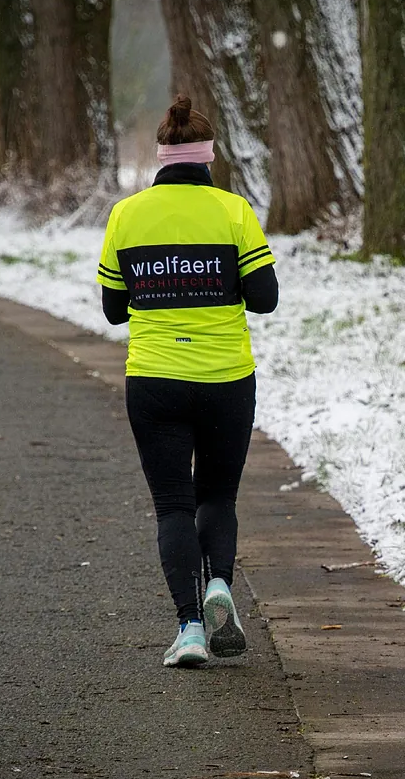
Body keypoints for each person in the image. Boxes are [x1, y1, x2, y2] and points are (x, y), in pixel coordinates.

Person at [96, 94, 279, 668]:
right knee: (217, 495)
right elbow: (265, 299)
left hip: (153, 381)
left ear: (160, 156)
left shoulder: (126, 216)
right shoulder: (234, 212)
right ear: (208, 157)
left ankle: (191, 627)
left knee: (173, 506)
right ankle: (220, 583)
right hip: (226, 377)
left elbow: (113, 309)